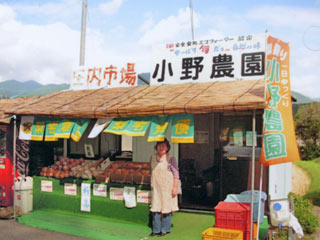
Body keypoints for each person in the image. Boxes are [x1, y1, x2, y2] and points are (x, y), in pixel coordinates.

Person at [149, 138, 179, 237]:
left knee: (166, 208)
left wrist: (175, 187)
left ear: (167, 148)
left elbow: (176, 174)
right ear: (156, 147)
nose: (161, 148)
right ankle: (156, 230)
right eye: (159, 145)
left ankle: (165, 229)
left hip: (167, 187)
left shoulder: (171, 159)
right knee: (156, 207)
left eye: (164, 146)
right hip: (156, 187)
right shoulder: (152, 157)